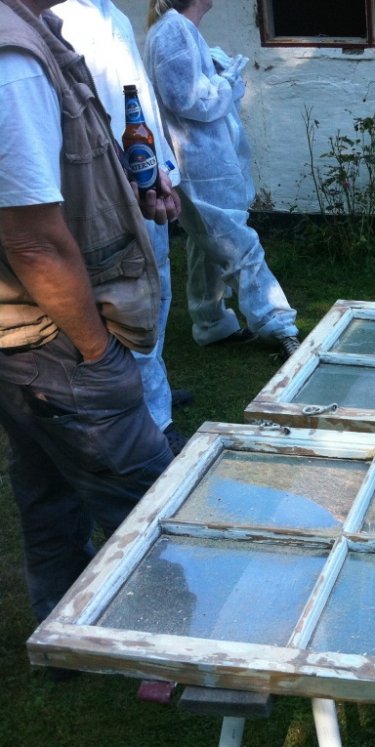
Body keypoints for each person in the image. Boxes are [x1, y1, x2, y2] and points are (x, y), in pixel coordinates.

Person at [0, 0, 181, 630]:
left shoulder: (35, 33)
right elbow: (33, 240)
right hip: (55, 339)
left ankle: (62, 634)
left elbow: (49, 180)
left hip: (27, 336)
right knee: (149, 501)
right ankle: (173, 644)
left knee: (47, 487)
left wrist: (133, 188)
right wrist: (98, 353)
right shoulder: (14, 59)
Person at [52, 0, 191, 455]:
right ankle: (152, 421)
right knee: (129, 301)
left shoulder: (113, 14)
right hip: (109, 190)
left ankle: (155, 389)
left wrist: (164, 172)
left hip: (146, 180)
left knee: (157, 291)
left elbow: (139, 103)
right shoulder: (64, 17)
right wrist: (117, 181)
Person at [144, 0, 301, 360]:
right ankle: (279, 324)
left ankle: (211, 323)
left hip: (202, 157)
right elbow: (186, 99)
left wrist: (218, 75)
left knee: (206, 242)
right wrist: (225, 81)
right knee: (237, 243)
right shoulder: (172, 29)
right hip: (198, 160)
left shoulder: (178, 28)